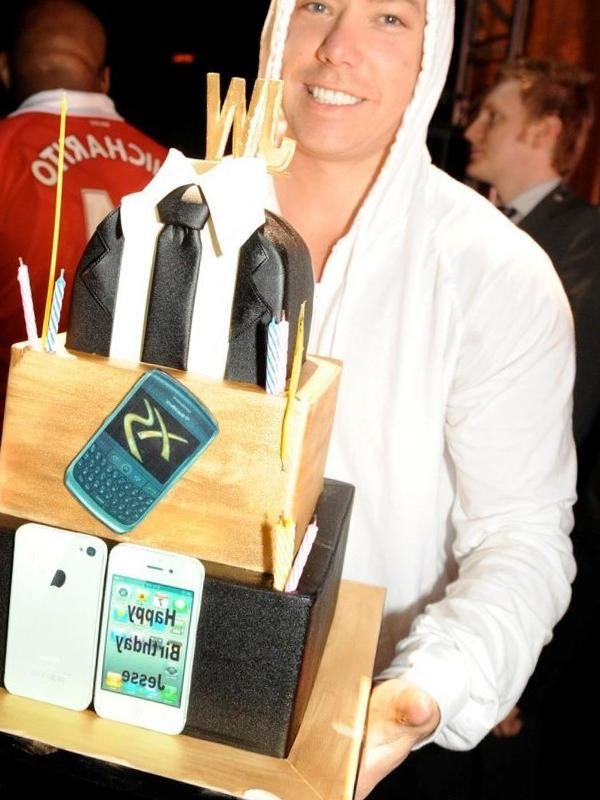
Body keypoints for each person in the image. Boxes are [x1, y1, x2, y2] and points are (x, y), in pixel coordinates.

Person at [258, 2, 576, 798]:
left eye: (389, 19)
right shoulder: (166, 227)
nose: (338, 47)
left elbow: (521, 535)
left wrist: (431, 683)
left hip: (377, 750)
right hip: (147, 706)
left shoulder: (492, 272)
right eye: (317, 5)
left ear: (431, 54)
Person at [464, 58, 600, 795]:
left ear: (543, 133)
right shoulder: (479, 227)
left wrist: (516, 643)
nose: (471, 128)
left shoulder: (585, 243)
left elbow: (563, 428)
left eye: (494, 116)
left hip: (531, 558)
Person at [0, 0, 167, 425]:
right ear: (104, 78)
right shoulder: (173, 167)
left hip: (18, 420)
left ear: (5, 69)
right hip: (142, 425)